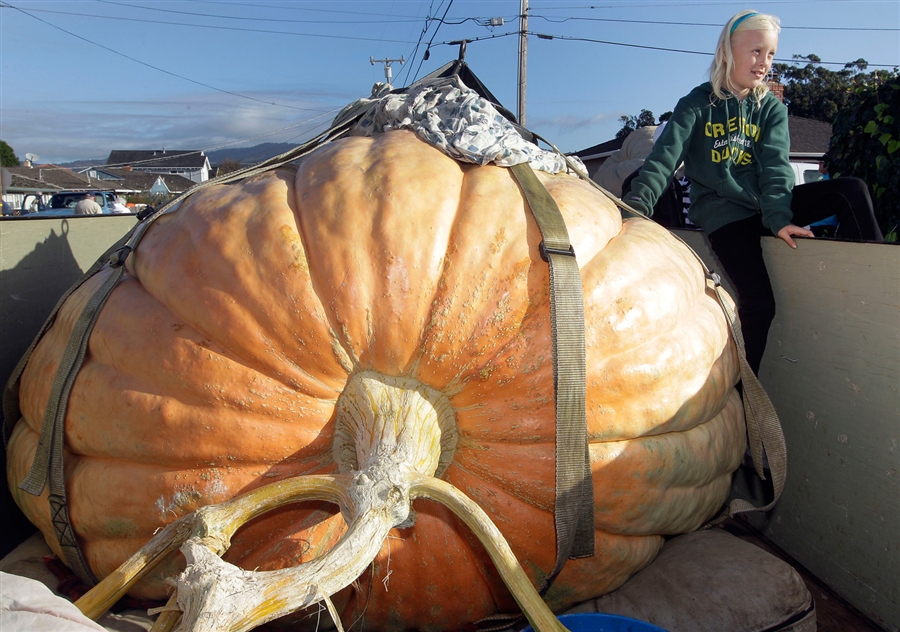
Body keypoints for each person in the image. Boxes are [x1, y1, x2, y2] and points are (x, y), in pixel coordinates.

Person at [623, 10, 813, 376]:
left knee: (849, 192)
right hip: (725, 212)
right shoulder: (697, 104)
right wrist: (631, 212)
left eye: (771, 54)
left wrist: (779, 218)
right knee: (760, 304)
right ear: (728, 50)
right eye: (756, 51)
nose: (764, 63)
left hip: (767, 205)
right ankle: (743, 395)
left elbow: (776, 166)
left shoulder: (770, 107)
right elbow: (663, 160)